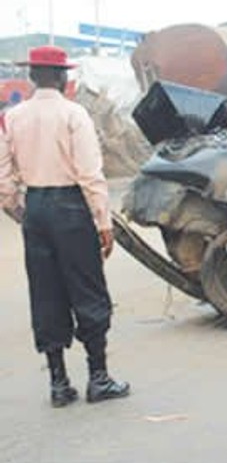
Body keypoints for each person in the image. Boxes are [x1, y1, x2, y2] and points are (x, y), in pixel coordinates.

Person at [0, 46, 130, 407]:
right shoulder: (74, 115)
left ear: (31, 77)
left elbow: (5, 179)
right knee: (87, 288)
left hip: (37, 208)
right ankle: (98, 378)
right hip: (71, 207)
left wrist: (19, 209)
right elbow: (90, 173)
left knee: (46, 291)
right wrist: (103, 221)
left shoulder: (12, 118)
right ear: (62, 78)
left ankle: (58, 384)